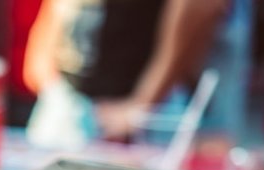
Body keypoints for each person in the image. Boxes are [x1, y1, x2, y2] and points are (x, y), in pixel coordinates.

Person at [22, 0, 227, 147]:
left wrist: (142, 104)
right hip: (65, 101)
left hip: (142, 116)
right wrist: (43, 65)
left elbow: (204, 6)